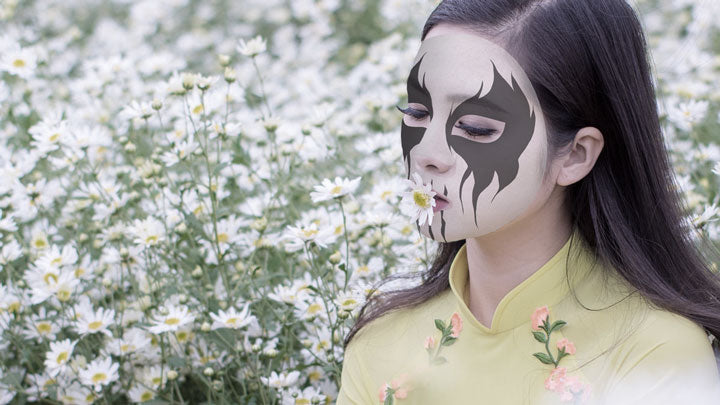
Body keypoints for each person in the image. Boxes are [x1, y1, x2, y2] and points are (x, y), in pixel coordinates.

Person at [336, 0, 720, 404]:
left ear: (575, 154)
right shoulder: (381, 344)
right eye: (416, 112)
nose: (428, 151)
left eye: (474, 128)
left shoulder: (655, 355)